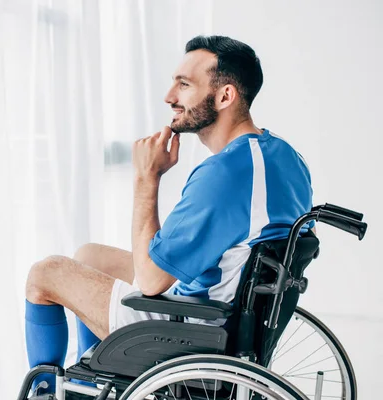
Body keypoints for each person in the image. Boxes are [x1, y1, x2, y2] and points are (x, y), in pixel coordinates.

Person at [24, 35, 314, 399]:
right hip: (230, 309)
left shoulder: (225, 173)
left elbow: (151, 280)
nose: (169, 96)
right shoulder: (285, 156)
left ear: (225, 96)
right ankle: (91, 381)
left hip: (196, 329)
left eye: (184, 84)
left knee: (45, 273)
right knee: (89, 257)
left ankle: (46, 391)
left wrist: (147, 178)